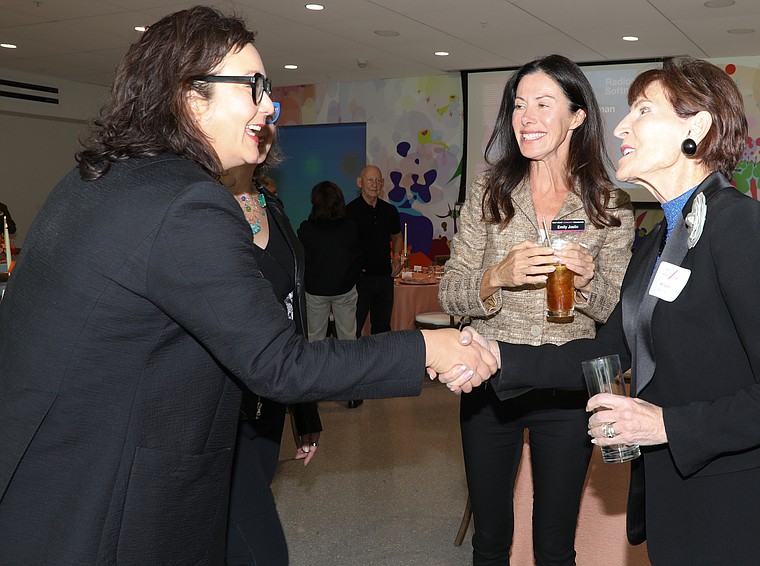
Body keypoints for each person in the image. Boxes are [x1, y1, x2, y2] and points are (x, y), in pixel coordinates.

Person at [0, 7, 494, 565]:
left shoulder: (99, 180)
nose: (270, 106)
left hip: (47, 482)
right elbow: (279, 365)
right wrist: (428, 345)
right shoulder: (186, 203)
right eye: (254, 87)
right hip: (107, 503)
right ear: (191, 96)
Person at [454, 57, 760, 566]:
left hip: (741, 509)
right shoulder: (660, 240)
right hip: (679, 497)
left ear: (695, 128)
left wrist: (667, 427)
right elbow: (609, 348)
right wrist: (499, 357)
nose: (620, 126)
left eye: (642, 111)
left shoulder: (740, 226)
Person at [438, 54, 634, 566]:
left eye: (543, 104)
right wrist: (496, 276)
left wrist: (588, 284)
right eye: (519, 105)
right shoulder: (489, 190)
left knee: (554, 543)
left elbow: (612, 307)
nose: (526, 117)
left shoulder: (608, 205)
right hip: (487, 380)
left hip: (566, 388)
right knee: (490, 540)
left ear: (577, 117)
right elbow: (451, 291)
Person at [222, 121, 322, 564]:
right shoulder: (200, 206)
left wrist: (305, 410)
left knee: (243, 516)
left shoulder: (272, 204)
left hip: (269, 396)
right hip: (218, 397)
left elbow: (293, 309)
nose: (261, 130)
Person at [345, 164, 403, 408]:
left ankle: (381, 377)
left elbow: (397, 236)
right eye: (370, 180)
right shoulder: (349, 211)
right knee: (355, 330)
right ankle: (356, 381)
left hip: (384, 279)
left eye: (378, 181)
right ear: (360, 182)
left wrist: (397, 257)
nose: (374, 184)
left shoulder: (390, 210)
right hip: (359, 280)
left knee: (382, 328)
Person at [298, 180, 361, 343]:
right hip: (345, 287)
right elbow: (357, 257)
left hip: (315, 290)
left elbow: (301, 259)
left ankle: (316, 369)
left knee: (315, 338)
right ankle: (350, 368)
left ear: (315, 203)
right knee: (348, 337)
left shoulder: (306, 229)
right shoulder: (350, 227)